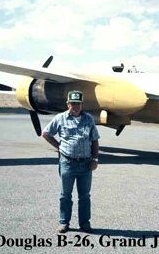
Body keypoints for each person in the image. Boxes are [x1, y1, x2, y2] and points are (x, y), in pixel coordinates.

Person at [42, 90, 100, 234]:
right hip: (67, 163)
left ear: (82, 105)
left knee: (85, 196)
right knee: (65, 195)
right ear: (68, 104)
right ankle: (64, 222)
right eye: (73, 103)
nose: (75, 106)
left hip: (86, 164)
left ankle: (85, 223)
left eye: (78, 104)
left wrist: (94, 159)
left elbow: (95, 140)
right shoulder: (60, 118)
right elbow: (46, 133)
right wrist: (59, 147)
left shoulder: (89, 119)